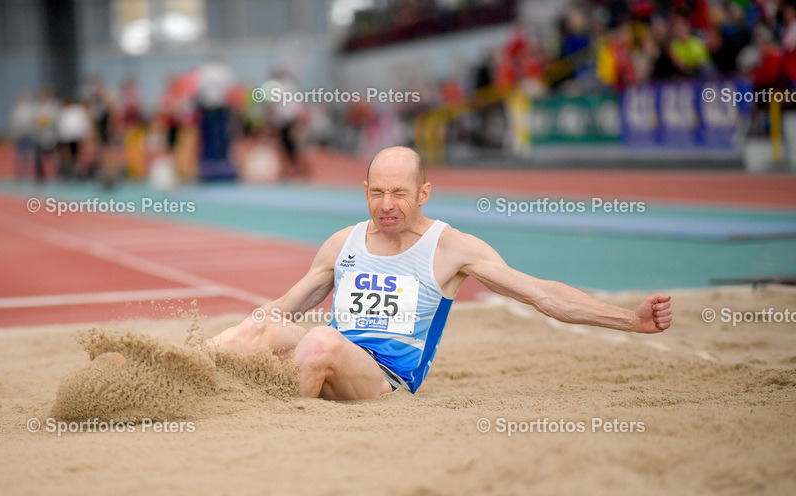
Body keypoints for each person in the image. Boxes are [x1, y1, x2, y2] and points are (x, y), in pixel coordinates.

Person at [208, 146, 673, 400]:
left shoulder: (451, 249)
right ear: (364, 190)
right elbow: (283, 308)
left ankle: (274, 412)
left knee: (319, 342)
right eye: (377, 193)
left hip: (384, 379)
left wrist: (629, 320)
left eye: (399, 194)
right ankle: (175, 372)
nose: (386, 206)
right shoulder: (342, 242)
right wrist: (250, 331)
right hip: (329, 355)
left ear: (424, 192)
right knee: (261, 325)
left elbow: (540, 294)